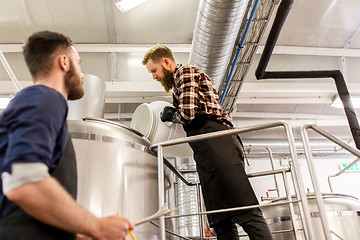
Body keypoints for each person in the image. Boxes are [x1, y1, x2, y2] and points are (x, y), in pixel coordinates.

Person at [0, 31, 134, 240]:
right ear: (64, 62)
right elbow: (24, 182)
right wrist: (95, 226)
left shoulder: (36, 103)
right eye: (78, 63)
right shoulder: (45, 98)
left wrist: (77, 234)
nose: (81, 75)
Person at [142, 45, 272, 240]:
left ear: (166, 62)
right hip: (207, 149)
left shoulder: (184, 73)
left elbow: (188, 113)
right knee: (220, 220)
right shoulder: (179, 82)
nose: (154, 76)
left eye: (154, 70)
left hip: (217, 142)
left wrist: (173, 115)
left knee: (245, 211)